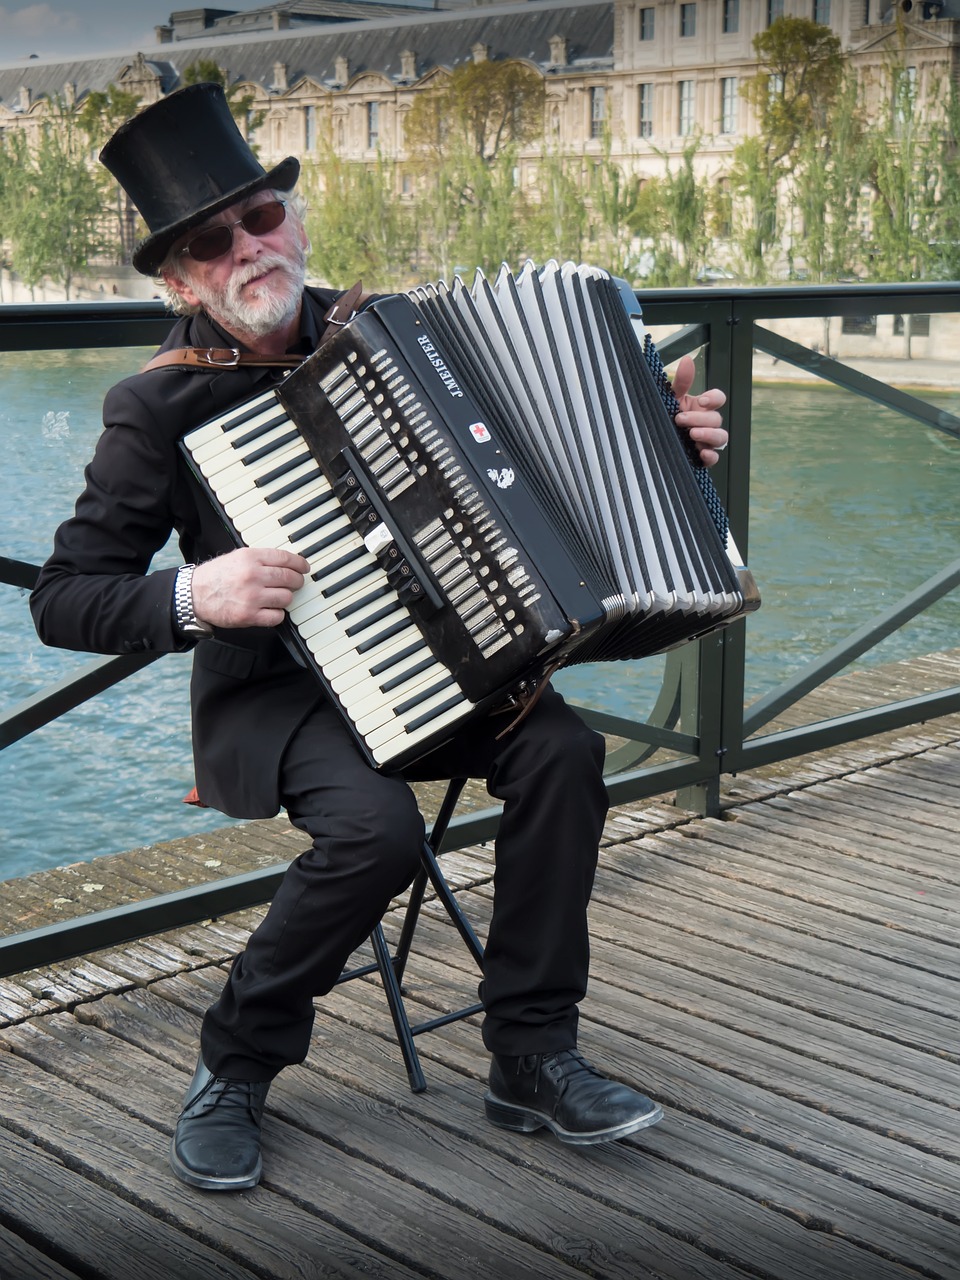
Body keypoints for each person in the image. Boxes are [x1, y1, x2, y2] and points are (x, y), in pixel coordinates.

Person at [30, 84, 730, 1192]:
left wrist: (668, 450)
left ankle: (531, 1051)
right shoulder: (154, 409)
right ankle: (236, 1063)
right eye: (212, 242)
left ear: (293, 222)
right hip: (283, 694)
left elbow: (549, 491)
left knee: (565, 753)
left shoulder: (407, 333)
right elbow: (63, 597)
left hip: (452, 664)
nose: (248, 249)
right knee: (375, 832)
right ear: (180, 279)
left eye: (260, 217)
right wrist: (194, 592)